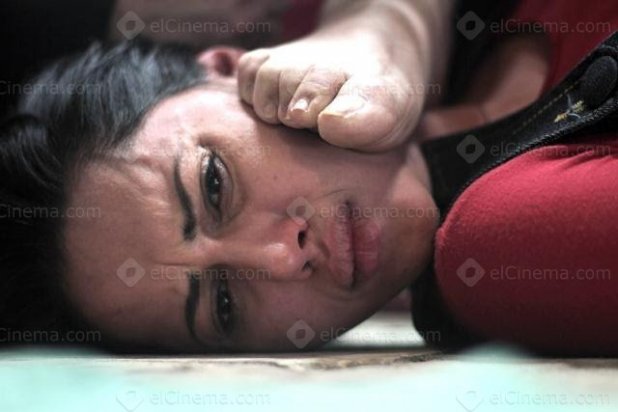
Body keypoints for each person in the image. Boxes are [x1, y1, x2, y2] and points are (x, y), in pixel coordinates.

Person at [1, 0, 617, 355]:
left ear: (227, 69)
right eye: (223, 304)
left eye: (213, 185)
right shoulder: (502, 256)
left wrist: (387, 29)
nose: (280, 259)